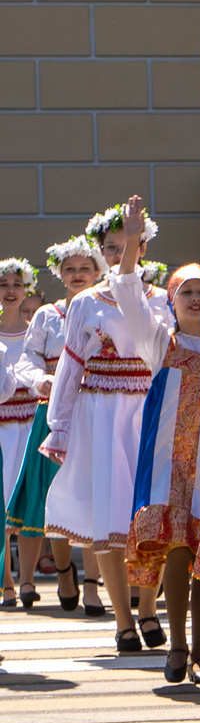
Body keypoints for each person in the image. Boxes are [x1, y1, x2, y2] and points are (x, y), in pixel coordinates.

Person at [41, 200, 165, 655]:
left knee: (150, 512)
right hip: (100, 413)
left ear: (142, 246)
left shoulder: (159, 298)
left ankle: (148, 606)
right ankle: (123, 620)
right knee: (108, 515)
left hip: (147, 410)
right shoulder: (86, 302)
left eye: (127, 244)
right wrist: (59, 426)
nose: (118, 254)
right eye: (110, 248)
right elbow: (71, 366)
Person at [124, 261, 200, 686]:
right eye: (187, 292)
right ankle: (179, 645)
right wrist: (131, 246)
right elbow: (129, 297)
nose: (195, 299)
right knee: (178, 550)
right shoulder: (159, 342)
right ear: (172, 300)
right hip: (168, 467)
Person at [11, 236, 93, 610]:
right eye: (70, 268)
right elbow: (27, 358)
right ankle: (63, 572)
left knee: (92, 494)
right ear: (60, 273)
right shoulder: (47, 315)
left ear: (97, 272)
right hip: (54, 412)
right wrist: (39, 379)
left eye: (85, 268)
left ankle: (91, 584)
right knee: (53, 494)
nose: (77, 274)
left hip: (93, 409)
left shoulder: (104, 308)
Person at [0, 258, 42, 608]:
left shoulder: (35, 330)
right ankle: (7, 579)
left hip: (29, 422)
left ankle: (27, 577)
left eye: (16, 284)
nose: (10, 291)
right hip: (2, 426)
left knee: (29, 499)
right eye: (3, 285)